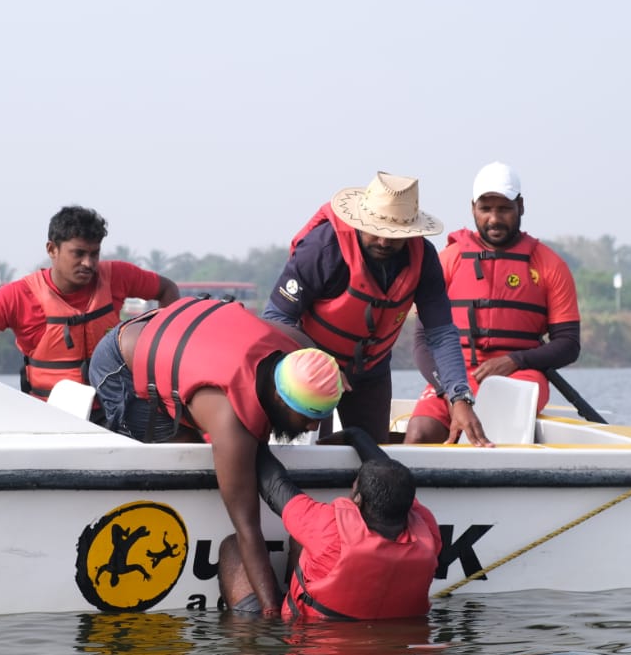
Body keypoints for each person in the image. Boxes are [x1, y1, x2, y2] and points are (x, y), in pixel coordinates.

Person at [88, 295, 346, 616]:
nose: (313, 424)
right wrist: (270, 611)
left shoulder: (299, 350)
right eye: (307, 415)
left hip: (190, 332)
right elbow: (248, 530)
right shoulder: (230, 421)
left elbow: (323, 371)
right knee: (189, 447)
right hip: (122, 361)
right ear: (279, 398)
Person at [263, 171, 490, 446]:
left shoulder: (424, 258)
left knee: (373, 453)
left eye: (395, 235)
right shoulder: (323, 249)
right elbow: (275, 320)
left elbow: (440, 332)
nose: (384, 242)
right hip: (310, 371)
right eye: (376, 231)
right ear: (360, 221)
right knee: (308, 455)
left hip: (371, 373)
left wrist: (459, 396)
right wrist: (323, 367)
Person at [0, 205, 179, 417]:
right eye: (78, 253)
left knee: (180, 435)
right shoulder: (16, 296)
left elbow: (167, 289)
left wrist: (161, 352)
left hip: (116, 407)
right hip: (50, 415)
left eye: (94, 254)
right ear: (52, 249)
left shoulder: (118, 276)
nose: (88, 263)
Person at [405, 162, 581, 444]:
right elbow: (422, 343)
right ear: (473, 208)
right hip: (453, 376)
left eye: (504, 209)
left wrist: (515, 360)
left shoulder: (550, 266)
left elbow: (569, 344)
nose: (494, 219)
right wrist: (450, 391)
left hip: (521, 376)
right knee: (419, 433)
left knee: (494, 421)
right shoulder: (448, 260)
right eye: (486, 209)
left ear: (521, 206)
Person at [219, 425, 441, 621]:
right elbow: (390, 473)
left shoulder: (329, 530)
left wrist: (246, 432)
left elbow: (275, 486)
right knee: (303, 540)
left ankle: (252, 634)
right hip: (374, 639)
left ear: (358, 500)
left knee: (234, 546)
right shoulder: (428, 532)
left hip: (301, 634)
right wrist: (357, 437)